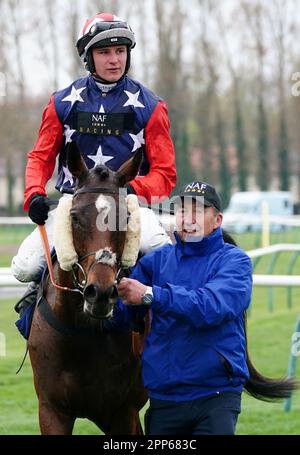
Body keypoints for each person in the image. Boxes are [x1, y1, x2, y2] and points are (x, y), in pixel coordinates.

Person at [11, 12, 176, 311]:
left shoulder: (151, 106)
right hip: (74, 204)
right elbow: (40, 156)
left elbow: (165, 173)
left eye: (120, 51)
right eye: (104, 52)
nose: (114, 59)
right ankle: (34, 309)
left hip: (127, 205)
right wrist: (34, 193)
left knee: (162, 252)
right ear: (89, 57)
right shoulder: (61, 103)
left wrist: (131, 190)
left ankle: (163, 324)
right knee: (23, 267)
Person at [117, 180, 253, 435]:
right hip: (164, 400)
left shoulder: (236, 262)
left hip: (216, 397)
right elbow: (121, 315)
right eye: (181, 210)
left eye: (197, 211)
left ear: (218, 219)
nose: (187, 218)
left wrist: (149, 295)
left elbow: (210, 307)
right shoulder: (155, 262)